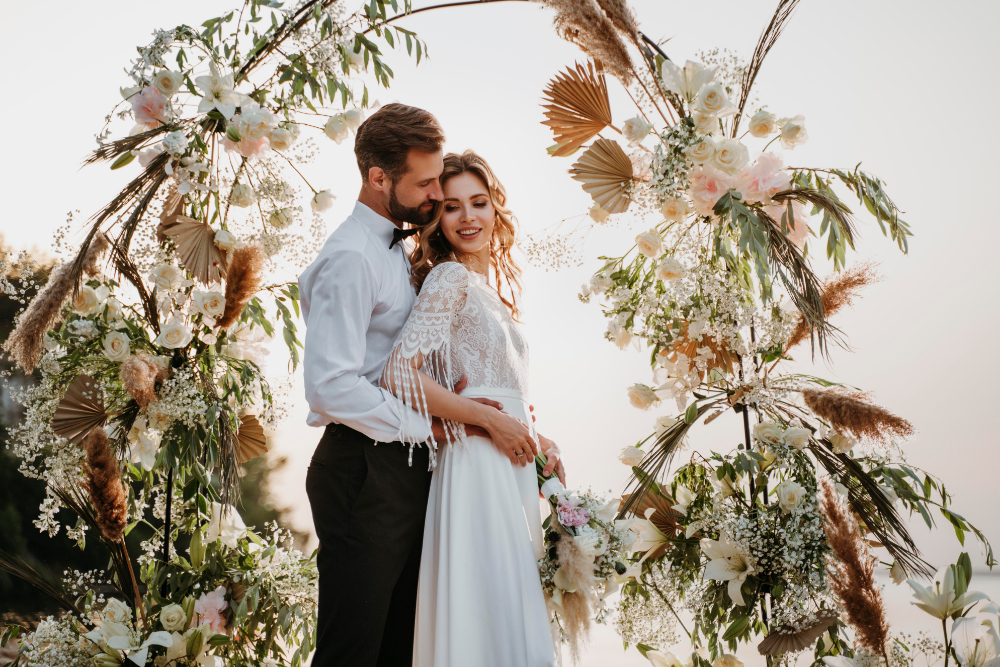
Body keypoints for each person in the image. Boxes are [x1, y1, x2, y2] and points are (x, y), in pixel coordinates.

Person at [298, 104, 554, 667]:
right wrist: (441, 422)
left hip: (413, 467)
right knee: (352, 651)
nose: (437, 195)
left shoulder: (399, 253)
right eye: (427, 183)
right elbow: (330, 386)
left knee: (402, 648)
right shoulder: (350, 258)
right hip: (362, 468)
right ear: (379, 178)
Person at [381, 150, 565, 666]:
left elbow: (499, 387)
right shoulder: (449, 279)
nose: (468, 217)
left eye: (479, 203)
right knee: (487, 609)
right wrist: (486, 419)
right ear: (436, 220)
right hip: (476, 465)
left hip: (509, 464)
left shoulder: (490, 293)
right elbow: (398, 372)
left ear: (495, 209)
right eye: (453, 206)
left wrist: (537, 438)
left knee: (509, 606)